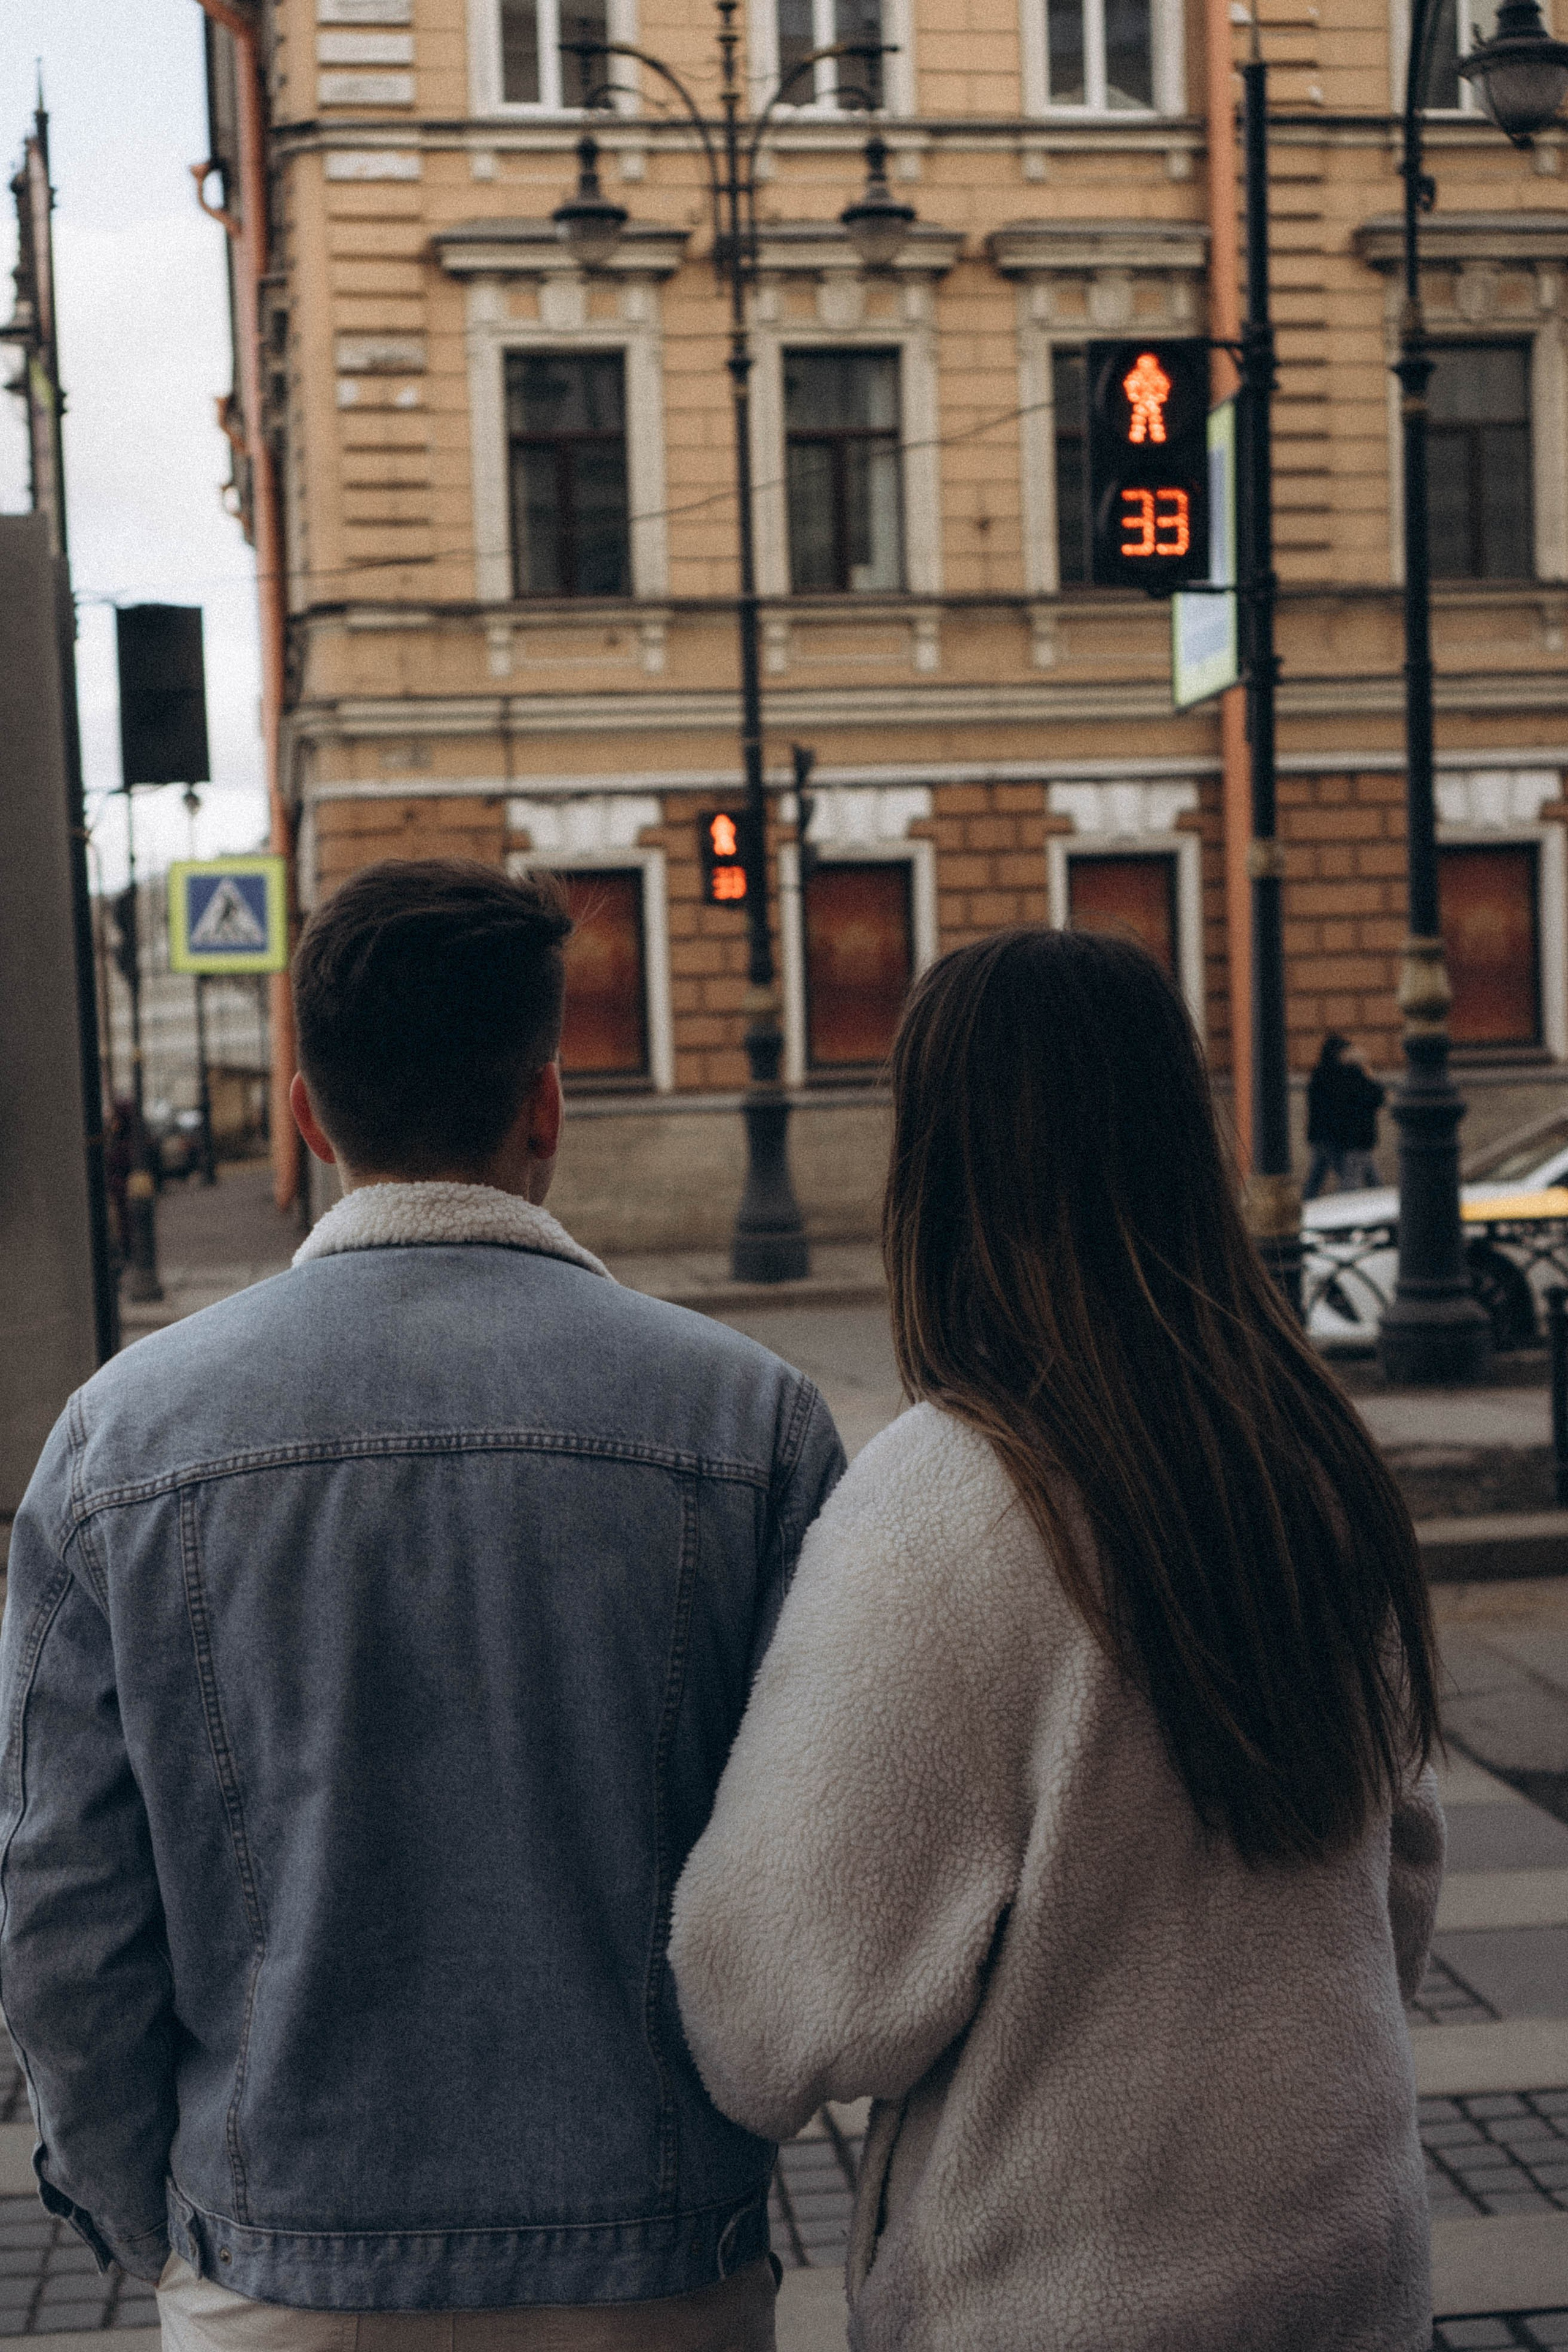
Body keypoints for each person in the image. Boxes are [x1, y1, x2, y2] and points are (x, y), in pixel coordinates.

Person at [0, 858, 843, 2352]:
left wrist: (160, 2218)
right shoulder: (750, 1421)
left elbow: (63, 1904)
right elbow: (803, 1876)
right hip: (650, 2266)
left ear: (310, 1114)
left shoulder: (120, 1439)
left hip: (276, 2273)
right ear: (546, 1104)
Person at [669, 928, 1444, 2352]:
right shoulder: (1309, 1454)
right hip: (1349, 2265)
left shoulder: (947, 1506)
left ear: (939, 1168)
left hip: (1068, 2296)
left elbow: (779, 2010)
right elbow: (1398, 1874)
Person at [1306, 1030, 1386, 1197]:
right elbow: (1375, 1097)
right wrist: (1366, 1070)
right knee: (1351, 1181)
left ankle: (1306, 1204)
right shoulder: (1351, 1074)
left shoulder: (1322, 1073)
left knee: (1321, 1177)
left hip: (1333, 1136)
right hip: (1352, 1138)